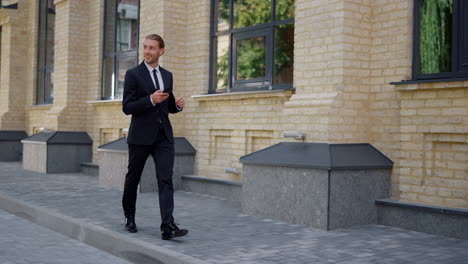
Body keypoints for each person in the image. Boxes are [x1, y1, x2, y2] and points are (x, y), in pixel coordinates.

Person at [121, 34, 188, 240]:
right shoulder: (133, 74)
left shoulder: (167, 76)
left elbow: (165, 106)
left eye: (152, 48)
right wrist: (149, 99)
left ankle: (167, 226)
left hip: (163, 136)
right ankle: (129, 217)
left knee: (165, 179)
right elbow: (127, 107)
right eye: (145, 47)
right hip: (140, 136)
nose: (147, 51)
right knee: (133, 178)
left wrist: (175, 106)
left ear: (161, 51)